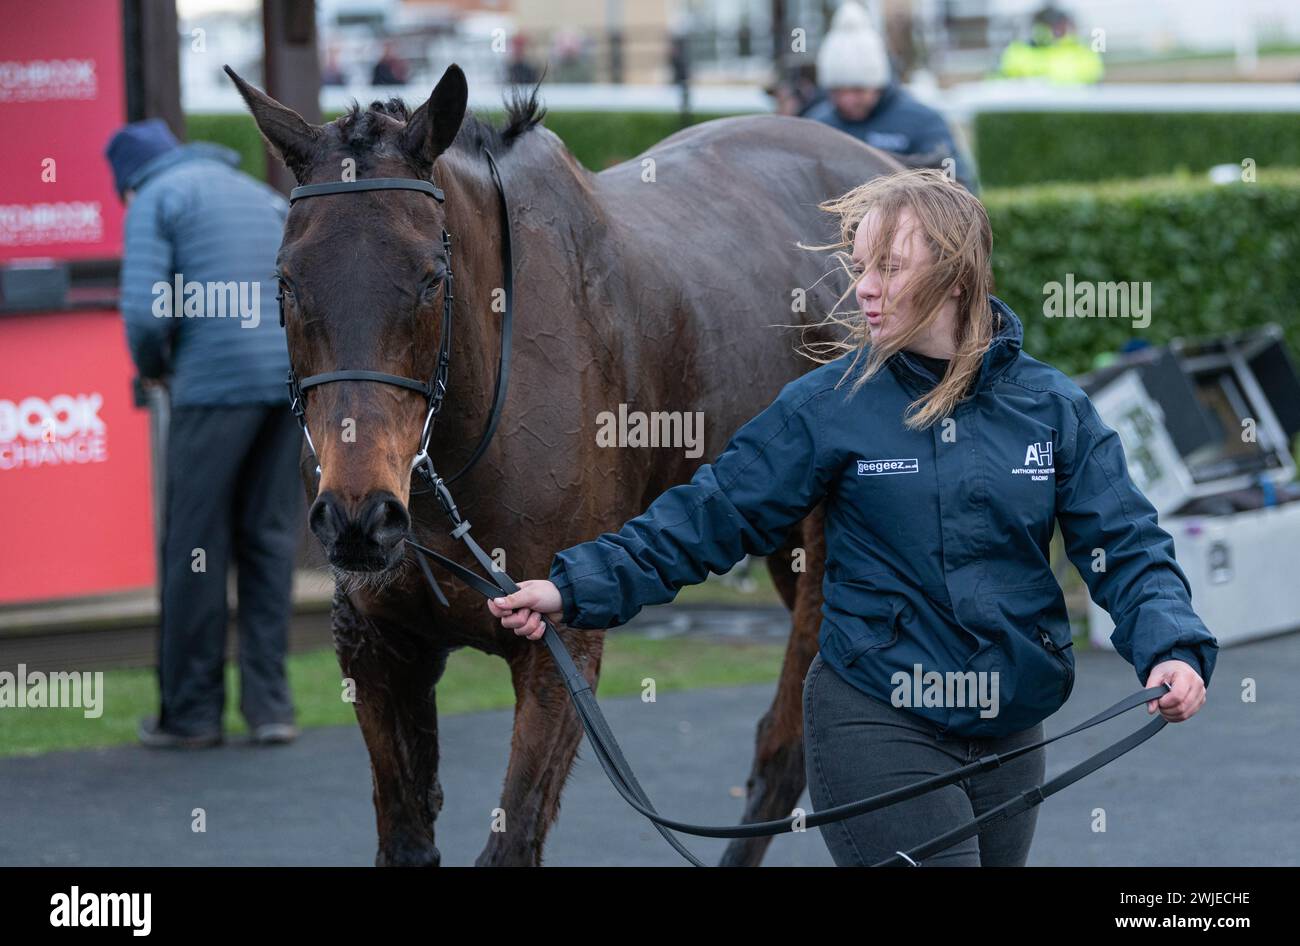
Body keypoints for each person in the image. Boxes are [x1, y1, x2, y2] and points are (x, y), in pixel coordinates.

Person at [485, 168, 1217, 866]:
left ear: (956, 277)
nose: (862, 289)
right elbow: (711, 515)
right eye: (859, 266)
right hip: (877, 718)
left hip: (1011, 724)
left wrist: (1171, 646)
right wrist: (571, 587)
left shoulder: (1052, 408)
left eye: (888, 268)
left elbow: (1123, 543)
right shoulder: (828, 403)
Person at [105, 118, 302, 749]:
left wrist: (158, 369)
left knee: (195, 549)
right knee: (269, 544)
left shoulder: (155, 199)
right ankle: (271, 708)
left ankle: (191, 715)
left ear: (128, 182)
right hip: (283, 389)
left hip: (213, 391)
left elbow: (142, 311)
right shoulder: (256, 192)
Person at [802, 1, 978, 193]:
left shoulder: (922, 122)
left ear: (878, 85)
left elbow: (959, 188)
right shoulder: (815, 124)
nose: (847, 100)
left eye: (857, 90)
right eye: (838, 91)